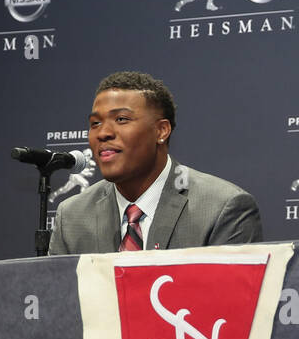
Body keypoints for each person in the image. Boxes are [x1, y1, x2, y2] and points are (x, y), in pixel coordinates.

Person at [49, 71, 262, 254]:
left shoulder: (221, 208)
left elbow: (229, 300)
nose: (103, 133)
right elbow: (59, 300)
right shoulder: (72, 217)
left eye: (121, 119)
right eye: (95, 123)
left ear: (161, 131)